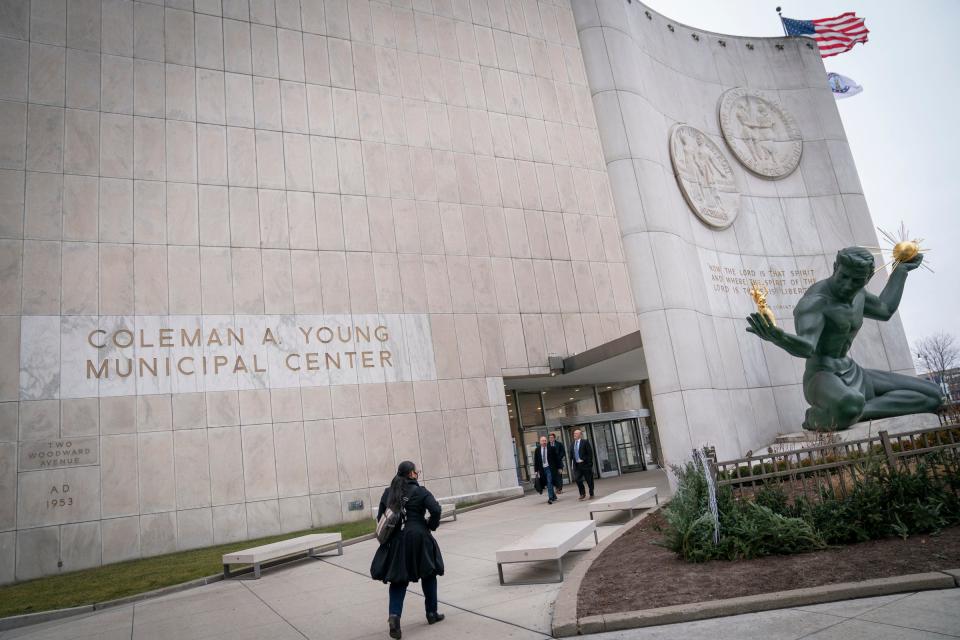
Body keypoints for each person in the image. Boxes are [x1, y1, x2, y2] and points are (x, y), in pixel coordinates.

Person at [747, 247, 942, 430]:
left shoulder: (859, 295)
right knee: (851, 403)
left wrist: (900, 271)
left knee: (934, 396)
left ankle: (851, 411)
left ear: (868, 278)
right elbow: (807, 347)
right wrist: (778, 337)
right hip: (822, 378)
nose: (848, 285)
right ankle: (827, 413)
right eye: (843, 277)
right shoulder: (815, 302)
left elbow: (885, 309)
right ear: (835, 268)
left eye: (856, 280)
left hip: (854, 372)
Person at [371, 461, 445, 639]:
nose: (417, 474)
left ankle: (394, 618)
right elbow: (436, 510)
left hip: (398, 541)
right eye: (416, 472)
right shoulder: (420, 491)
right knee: (429, 573)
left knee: (398, 580)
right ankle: (431, 613)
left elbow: (381, 517)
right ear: (411, 474)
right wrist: (430, 525)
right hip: (420, 537)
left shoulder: (389, 492)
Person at [532, 435, 559, 504]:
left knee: (549, 482)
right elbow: (536, 461)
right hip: (542, 469)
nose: (544, 442)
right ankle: (554, 496)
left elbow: (556, 459)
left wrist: (559, 467)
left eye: (545, 441)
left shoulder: (551, 448)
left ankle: (550, 498)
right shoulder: (537, 450)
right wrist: (536, 471)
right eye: (542, 441)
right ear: (540, 442)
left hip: (549, 468)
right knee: (547, 483)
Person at [570, 429, 595, 500]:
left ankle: (591, 493)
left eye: (576, 433)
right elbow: (571, 455)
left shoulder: (585, 442)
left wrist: (586, 461)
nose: (574, 435)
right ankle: (582, 493)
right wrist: (572, 464)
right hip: (577, 466)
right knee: (577, 479)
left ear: (580, 435)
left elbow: (589, 454)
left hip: (585, 465)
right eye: (574, 433)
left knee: (589, 480)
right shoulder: (572, 444)